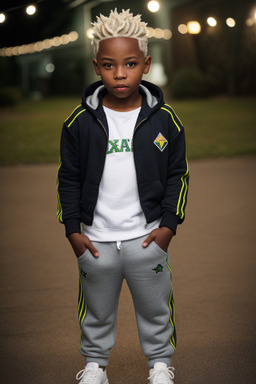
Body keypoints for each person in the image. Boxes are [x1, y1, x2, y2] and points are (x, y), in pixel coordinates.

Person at [57, 9, 189, 384]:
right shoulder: (78, 123)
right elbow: (67, 177)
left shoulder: (165, 120)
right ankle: (96, 366)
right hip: (95, 240)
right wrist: (72, 231)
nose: (119, 74)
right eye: (109, 65)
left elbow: (179, 176)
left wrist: (167, 227)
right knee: (96, 310)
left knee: (155, 306)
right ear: (96, 66)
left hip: (146, 237)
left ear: (145, 64)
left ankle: (160, 365)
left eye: (130, 64)